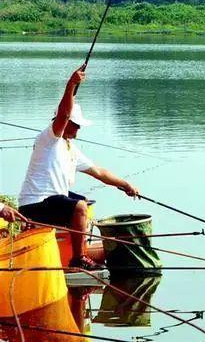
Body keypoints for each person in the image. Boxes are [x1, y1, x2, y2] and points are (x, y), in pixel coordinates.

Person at [18, 65, 140, 270]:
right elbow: (63, 115)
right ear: (66, 123)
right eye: (77, 124)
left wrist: (125, 184)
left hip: (52, 201)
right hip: (35, 204)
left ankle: (72, 245)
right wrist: (71, 84)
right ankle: (79, 258)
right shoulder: (49, 139)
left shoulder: (70, 148)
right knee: (79, 207)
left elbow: (99, 172)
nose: (79, 128)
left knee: (83, 202)